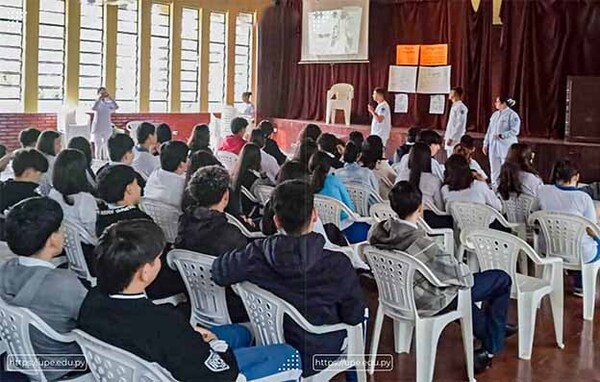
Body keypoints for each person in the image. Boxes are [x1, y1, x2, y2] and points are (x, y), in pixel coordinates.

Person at [79, 219, 298, 382]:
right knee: (289, 355)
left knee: (240, 333)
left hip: (148, 357)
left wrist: (193, 337)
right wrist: (213, 345)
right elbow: (217, 375)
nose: (160, 261)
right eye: (157, 258)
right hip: (200, 371)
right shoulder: (164, 323)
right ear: (145, 272)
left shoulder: (92, 300)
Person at [212, 180, 366, 378]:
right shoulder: (337, 264)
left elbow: (219, 272)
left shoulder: (257, 253)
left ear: (276, 221)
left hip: (269, 341)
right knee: (362, 318)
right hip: (316, 352)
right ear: (314, 216)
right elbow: (353, 316)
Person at [368, 181, 513, 373]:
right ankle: (494, 341)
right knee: (501, 279)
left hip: (396, 295)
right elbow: (460, 278)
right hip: (430, 299)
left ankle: (495, 333)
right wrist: (464, 273)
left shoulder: (378, 231)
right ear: (420, 209)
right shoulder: (422, 243)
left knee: (465, 301)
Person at [0, 197, 88, 381]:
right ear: (53, 240)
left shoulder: (5, 270)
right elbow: (93, 321)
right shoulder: (64, 284)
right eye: (60, 228)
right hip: (61, 364)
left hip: (20, 357)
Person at [175, 166, 248, 322]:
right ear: (226, 196)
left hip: (193, 299)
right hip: (231, 307)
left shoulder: (184, 222)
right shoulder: (231, 234)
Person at [536, 159, 600, 294]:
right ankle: (580, 284)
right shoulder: (583, 198)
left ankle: (568, 270)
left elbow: (535, 214)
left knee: (573, 240)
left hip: (548, 246)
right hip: (578, 252)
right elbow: (591, 229)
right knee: (591, 242)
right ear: (576, 177)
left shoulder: (543, 190)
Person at [49, 150, 98, 268]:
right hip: (88, 253)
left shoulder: (53, 194)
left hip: (67, 247)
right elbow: (92, 232)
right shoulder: (85, 199)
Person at [310, 151, 369, 243]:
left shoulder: (309, 184)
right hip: (345, 231)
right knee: (372, 230)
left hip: (324, 232)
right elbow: (350, 209)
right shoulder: (334, 180)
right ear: (328, 165)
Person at [397, 143, 450, 228]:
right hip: (427, 220)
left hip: (403, 217)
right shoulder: (434, 180)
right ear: (428, 159)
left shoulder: (402, 175)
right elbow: (440, 207)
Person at [95, 164, 150, 237]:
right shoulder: (142, 221)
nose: (139, 188)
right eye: (137, 184)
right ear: (129, 189)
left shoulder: (99, 218)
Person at [483, 96, 521, 188]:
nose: (495, 103)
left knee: (506, 168)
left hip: (506, 146)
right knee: (494, 168)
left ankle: (507, 187)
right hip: (494, 146)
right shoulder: (494, 115)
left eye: (497, 102)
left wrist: (502, 135)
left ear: (503, 103)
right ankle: (495, 188)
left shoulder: (512, 115)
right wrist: (485, 143)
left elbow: (515, 131)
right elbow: (489, 130)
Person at [0, 148, 48, 212]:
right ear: (29, 172)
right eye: (40, 173)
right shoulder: (36, 201)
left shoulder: (2, 189)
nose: (41, 178)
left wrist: (6, 158)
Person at [144, 141, 188, 209]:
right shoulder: (184, 184)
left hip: (149, 215)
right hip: (173, 218)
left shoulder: (154, 174)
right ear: (181, 164)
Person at [230, 143, 271, 217]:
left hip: (239, 211)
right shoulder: (257, 181)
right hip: (252, 214)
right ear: (257, 159)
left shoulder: (234, 174)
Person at [362, 135, 396, 199]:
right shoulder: (383, 167)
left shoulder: (361, 168)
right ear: (381, 150)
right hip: (384, 203)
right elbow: (396, 184)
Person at [91, 87, 118, 160]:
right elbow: (93, 108)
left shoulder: (108, 104)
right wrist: (99, 98)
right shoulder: (96, 103)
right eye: (101, 93)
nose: (103, 95)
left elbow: (116, 107)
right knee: (98, 145)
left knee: (106, 145)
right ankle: (98, 160)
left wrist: (110, 98)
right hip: (98, 127)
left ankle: (106, 159)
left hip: (107, 127)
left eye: (104, 93)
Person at [444, 87, 469, 157]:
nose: (449, 94)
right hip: (450, 136)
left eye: (451, 92)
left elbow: (460, 124)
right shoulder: (454, 106)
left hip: (456, 138)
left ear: (456, 94)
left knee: (455, 157)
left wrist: (452, 137)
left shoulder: (461, 107)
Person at [36, 130, 62, 196]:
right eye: (58, 143)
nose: (60, 146)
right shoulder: (52, 161)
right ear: (48, 144)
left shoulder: (36, 157)